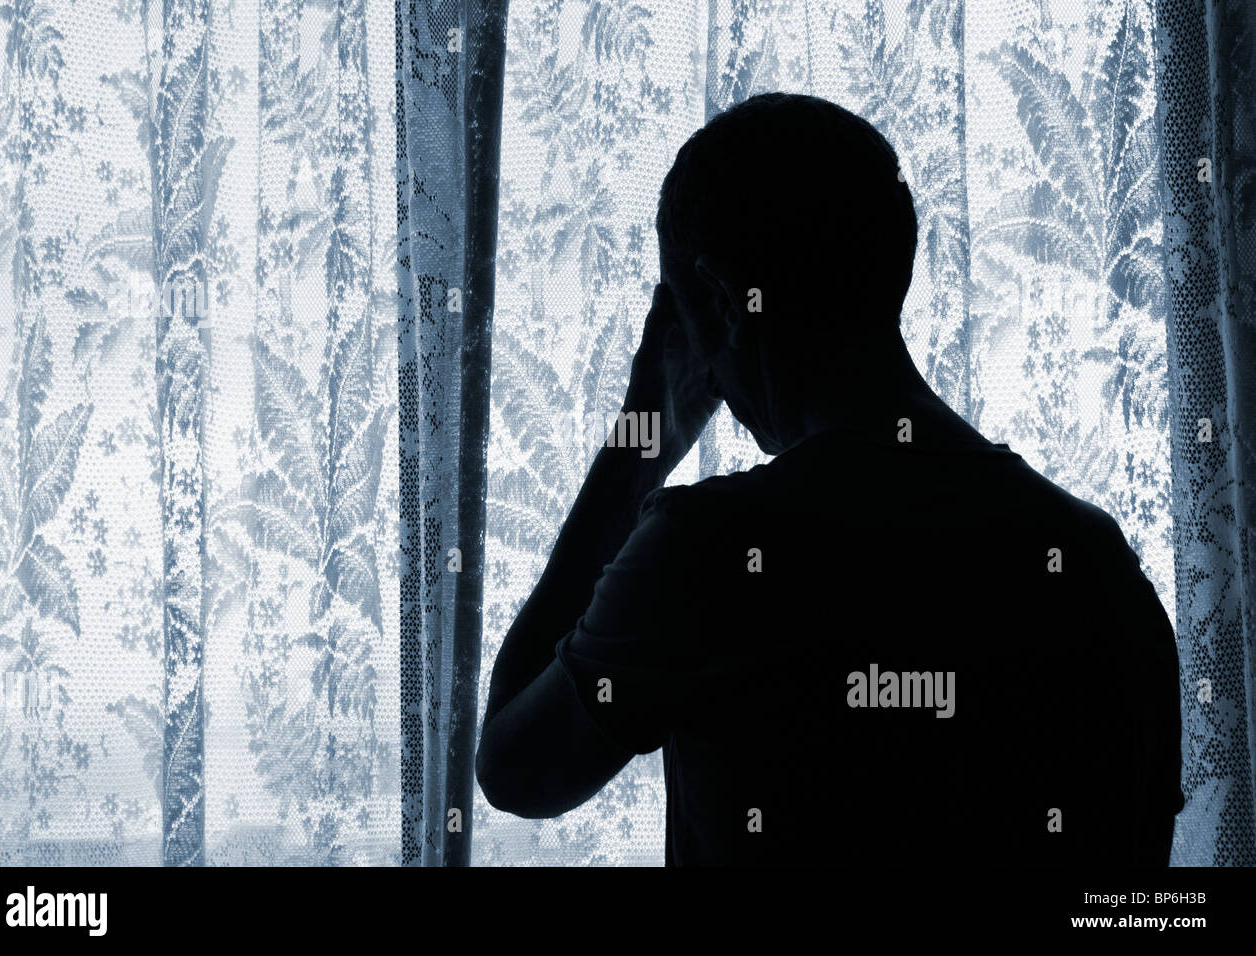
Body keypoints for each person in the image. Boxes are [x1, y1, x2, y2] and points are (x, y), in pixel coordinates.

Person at [475, 92, 1184, 866]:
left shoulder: (712, 552)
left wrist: (632, 453)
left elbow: (516, 771)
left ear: (720, 300)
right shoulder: (1092, 558)